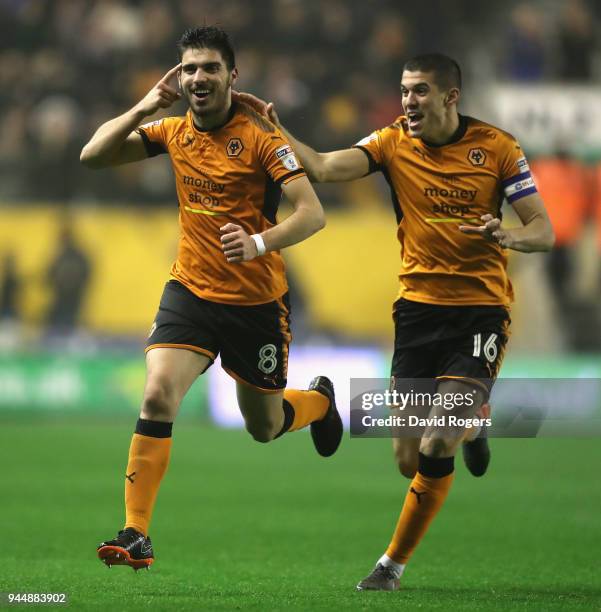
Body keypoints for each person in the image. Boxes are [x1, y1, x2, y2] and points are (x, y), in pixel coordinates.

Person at [237, 53, 554, 591]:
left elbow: (543, 230)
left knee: (435, 446)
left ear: (451, 97)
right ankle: (475, 421)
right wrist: (274, 126)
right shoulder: (391, 143)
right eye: (405, 91)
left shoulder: (499, 148)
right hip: (416, 314)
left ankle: (391, 565)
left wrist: (506, 235)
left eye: (421, 92)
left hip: (479, 314)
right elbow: (320, 167)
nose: (409, 101)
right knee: (409, 460)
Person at [80, 26, 342, 572]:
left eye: (210, 68)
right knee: (156, 396)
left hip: (255, 304)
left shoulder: (262, 139)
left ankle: (318, 402)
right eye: (190, 69)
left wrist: (259, 242)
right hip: (191, 292)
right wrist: (145, 105)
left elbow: (312, 212)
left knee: (264, 428)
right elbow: (92, 155)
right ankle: (136, 534)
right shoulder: (173, 130)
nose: (199, 78)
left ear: (231, 77)